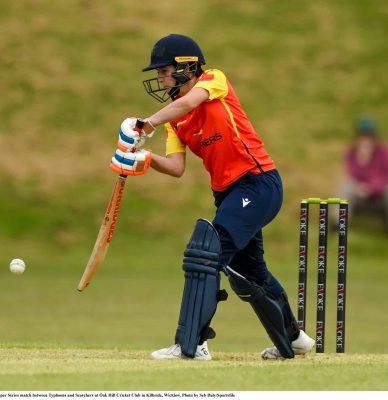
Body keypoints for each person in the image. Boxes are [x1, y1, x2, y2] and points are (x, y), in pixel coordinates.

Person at [110, 34, 315, 360]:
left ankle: (192, 343)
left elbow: (191, 102)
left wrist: (145, 125)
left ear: (186, 67)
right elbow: (176, 167)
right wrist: (145, 160)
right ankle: (293, 337)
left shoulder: (213, 80)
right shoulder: (174, 121)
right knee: (251, 272)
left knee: (207, 251)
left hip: (257, 183)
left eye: (163, 71)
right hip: (229, 195)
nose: (160, 79)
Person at [339, 117, 388, 231]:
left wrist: (372, 187)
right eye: (362, 136)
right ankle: (339, 223)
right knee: (346, 186)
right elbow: (351, 174)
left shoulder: (383, 153)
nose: (365, 140)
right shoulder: (352, 153)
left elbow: (385, 175)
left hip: (378, 194)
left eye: (368, 137)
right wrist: (362, 160)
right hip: (359, 193)